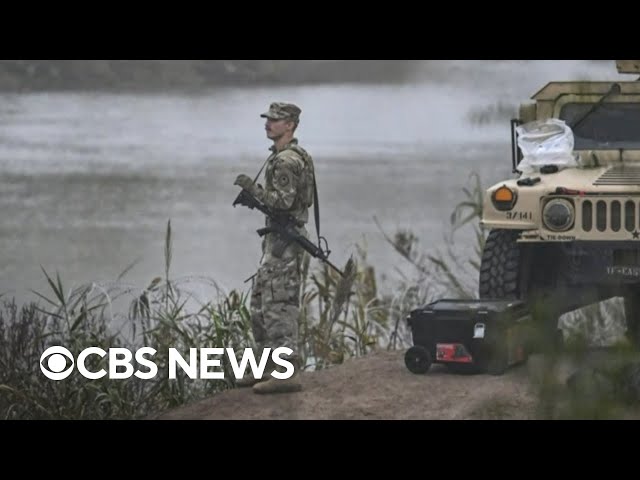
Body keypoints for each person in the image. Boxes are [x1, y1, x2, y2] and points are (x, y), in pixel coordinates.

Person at [233, 102, 315, 394]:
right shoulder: (283, 156)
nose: (268, 123)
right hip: (278, 240)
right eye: (268, 119)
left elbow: (284, 202)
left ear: (290, 125)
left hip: (285, 242)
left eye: (276, 120)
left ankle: (286, 371)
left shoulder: (286, 161)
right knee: (260, 304)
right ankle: (266, 367)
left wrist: (252, 190)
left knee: (278, 304)